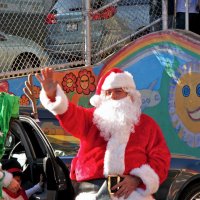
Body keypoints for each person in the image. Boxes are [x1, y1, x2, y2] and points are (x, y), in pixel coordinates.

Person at [36, 67, 171, 200]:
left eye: (118, 91)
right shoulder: (90, 119)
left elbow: (161, 159)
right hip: (92, 191)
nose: (112, 95)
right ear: (101, 96)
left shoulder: (147, 124)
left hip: (133, 192)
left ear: (129, 95)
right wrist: (53, 96)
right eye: (108, 92)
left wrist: (137, 179)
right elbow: (70, 114)